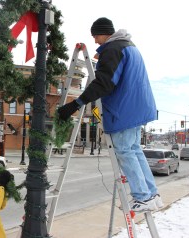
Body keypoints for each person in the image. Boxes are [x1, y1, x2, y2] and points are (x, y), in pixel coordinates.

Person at [57, 17, 163, 212]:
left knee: (124, 151)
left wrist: (75, 104)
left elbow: (103, 83)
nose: (95, 41)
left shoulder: (113, 49)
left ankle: (142, 196)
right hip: (138, 107)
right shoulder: (129, 46)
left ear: (104, 32)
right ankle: (151, 194)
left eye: (96, 36)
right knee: (134, 150)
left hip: (124, 109)